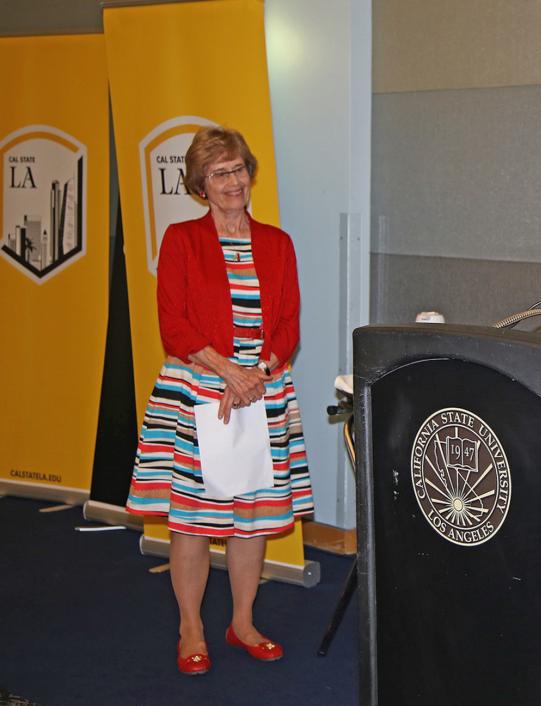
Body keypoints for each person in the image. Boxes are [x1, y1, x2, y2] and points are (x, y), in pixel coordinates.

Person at [126, 126, 314, 675]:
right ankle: (191, 627)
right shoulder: (181, 240)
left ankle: (243, 622)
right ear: (200, 186)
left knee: (250, 517)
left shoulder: (278, 243)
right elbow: (174, 324)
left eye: (238, 169)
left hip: (261, 391)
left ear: (249, 174)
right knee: (192, 521)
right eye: (219, 173)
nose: (232, 182)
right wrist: (229, 372)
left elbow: (288, 325)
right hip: (198, 392)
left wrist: (253, 374)